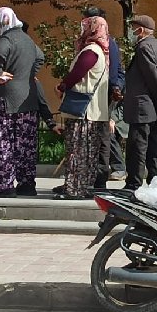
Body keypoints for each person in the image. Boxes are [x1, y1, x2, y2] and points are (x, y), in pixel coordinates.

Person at [0, 7, 42, 198]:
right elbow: (40, 57)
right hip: (27, 99)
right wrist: (28, 74)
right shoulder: (27, 39)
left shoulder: (6, 40)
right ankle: (27, 184)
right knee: (24, 144)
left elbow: (0, 51)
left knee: (3, 142)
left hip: (5, 99)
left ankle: (4, 185)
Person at [54, 15, 111, 200]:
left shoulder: (91, 51)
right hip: (94, 112)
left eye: (86, 27)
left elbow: (78, 73)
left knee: (77, 152)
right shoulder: (102, 50)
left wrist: (62, 86)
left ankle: (75, 189)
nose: (82, 30)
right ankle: (84, 187)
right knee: (88, 153)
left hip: (84, 112)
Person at [122, 15, 157, 191]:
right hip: (153, 106)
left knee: (137, 147)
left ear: (140, 30)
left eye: (133, 27)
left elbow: (154, 78)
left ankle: (133, 184)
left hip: (143, 106)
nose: (131, 32)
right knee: (153, 146)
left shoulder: (144, 47)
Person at [83, 6, 126, 184]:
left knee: (104, 132)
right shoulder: (86, 42)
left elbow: (115, 70)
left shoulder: (108, 43)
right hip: (93, 93)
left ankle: (113, 168)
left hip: (103, 93)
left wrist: (115, 88)